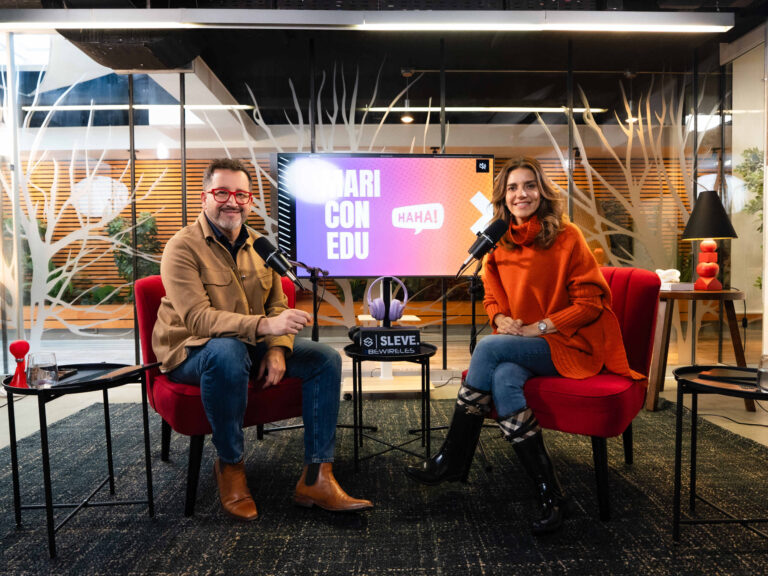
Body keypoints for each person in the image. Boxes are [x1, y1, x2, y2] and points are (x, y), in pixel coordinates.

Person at [405, 156, 641, 534]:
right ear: (503, 197)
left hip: (570, 343)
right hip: (521, 344)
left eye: (529, 185)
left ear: (542, 191)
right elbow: (492, 299)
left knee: (488, 349)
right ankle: (551, 493)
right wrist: (501, 319)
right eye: (513, 188)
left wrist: (539, 328)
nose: (521, 194)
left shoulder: (567, 236)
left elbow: (590, 303)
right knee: (503, 379)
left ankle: (453, 457)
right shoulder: (497, 241)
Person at [153, 158, 372, 521]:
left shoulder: (260, 245)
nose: (232, 202)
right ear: (204, 197)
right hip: (190, 351)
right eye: (222, 193)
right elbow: (198, 319)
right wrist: (266, 328)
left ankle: (317, 477)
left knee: (325, 359)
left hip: (249, 344)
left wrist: (278, 349)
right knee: (227, 351)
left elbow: (277, 303)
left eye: (241, 194)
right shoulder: (182, 248)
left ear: (250, 201)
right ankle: (230, 465)